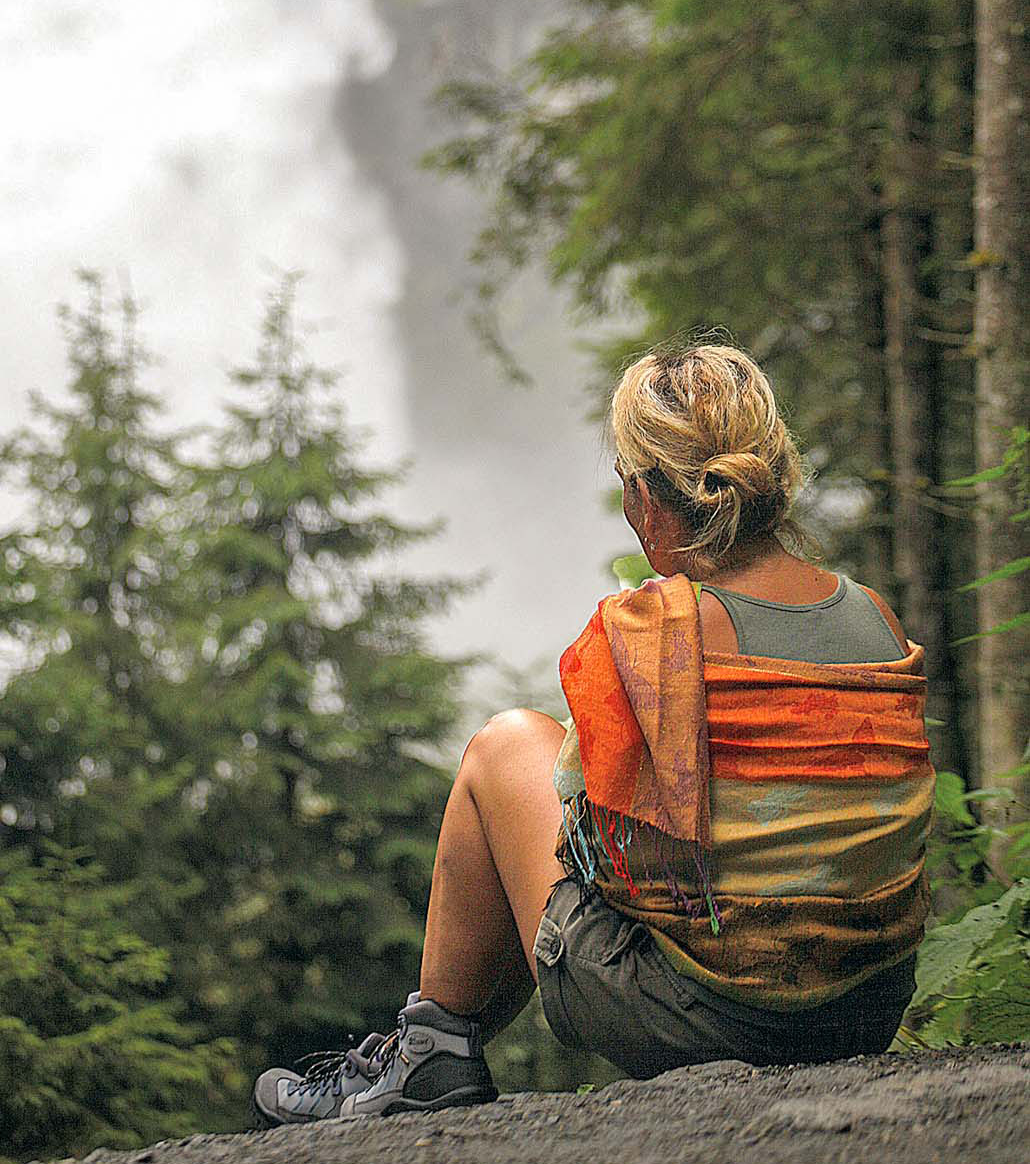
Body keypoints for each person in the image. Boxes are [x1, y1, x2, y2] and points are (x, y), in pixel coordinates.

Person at [253, 342, 934, 1126]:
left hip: (708, 1019)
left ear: (648, 497)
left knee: (505, 747)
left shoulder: (656, 637)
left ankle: (429, 1053)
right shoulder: (875, 617)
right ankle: (428, 1053)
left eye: (624, 484)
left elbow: (603, 856)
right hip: (865, 1006)